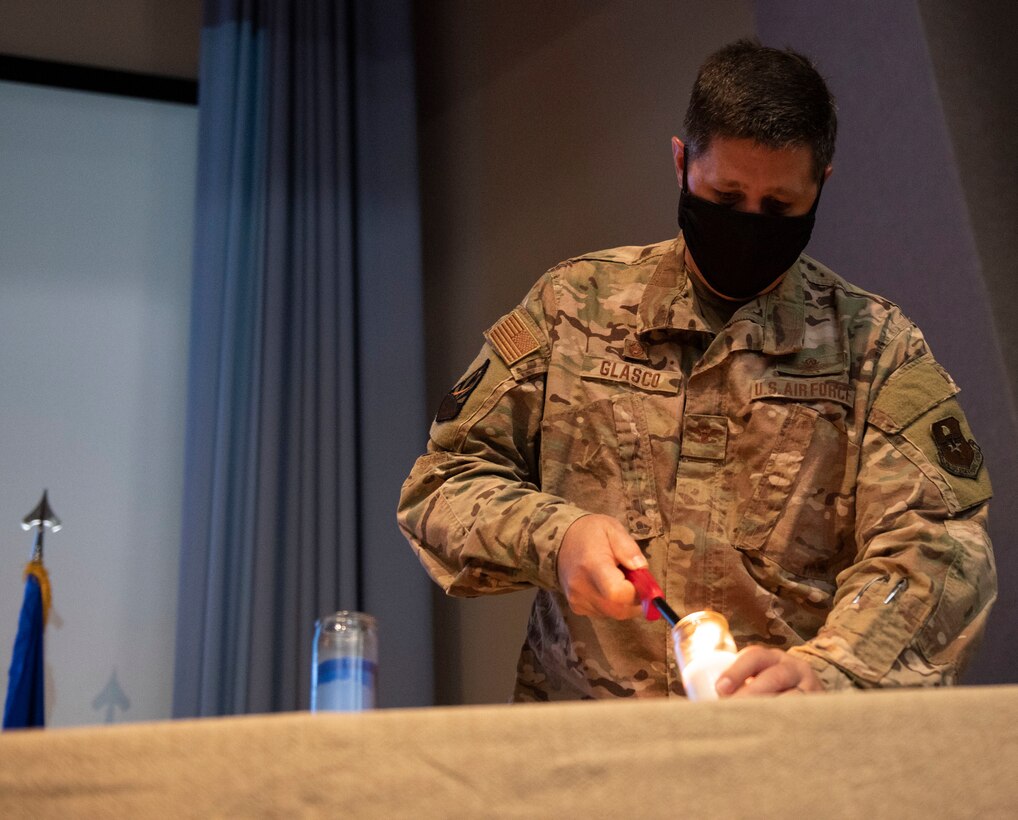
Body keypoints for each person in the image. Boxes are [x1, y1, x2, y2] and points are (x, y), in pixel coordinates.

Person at [397, 39, 996, 700]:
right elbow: (442, 487)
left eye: (778, 210)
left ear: (820, 185)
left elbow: (937, 550)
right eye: (727, 196)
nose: (749, 224)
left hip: (783, 755)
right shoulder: (574, 307)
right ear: (682, 163)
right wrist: (557, 536)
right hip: (588, 759)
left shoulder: (874, 348)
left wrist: (831, 670)